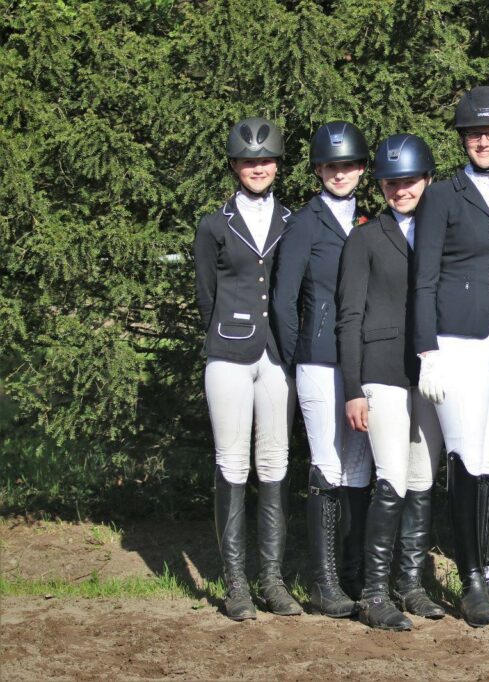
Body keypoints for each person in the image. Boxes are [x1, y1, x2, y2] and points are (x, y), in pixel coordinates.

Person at [413, 86, 489, 627]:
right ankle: (468, 581)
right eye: (474, 134)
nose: (483, 141)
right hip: (457, 342)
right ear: (463, 139)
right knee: (465, 457)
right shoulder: (442, 196)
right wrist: (427, 350)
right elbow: (424, 279)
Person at [337, 134, 446, 631]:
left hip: (432, 371)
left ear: (427, 180)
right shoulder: (364, 238)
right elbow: (349, 316)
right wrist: (352, 387)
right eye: (390, 183)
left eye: (410, 181)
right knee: (392, 478)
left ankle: (411, 583)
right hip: (381, 370)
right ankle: (374, 593)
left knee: (423, 479)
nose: (400, 191)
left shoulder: (442, 231)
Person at [194, 117, 301, 620]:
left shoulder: (293, 221)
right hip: (229, 354)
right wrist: (224, 333)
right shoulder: (214, 225)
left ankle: (272, 581)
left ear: (276, 164)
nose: (258, 168)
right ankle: (236, 583)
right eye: (248, 161)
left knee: (275, 463)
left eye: (265, 160)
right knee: (233, 463)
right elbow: (206, 295)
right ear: (235, 166)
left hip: (277, 355)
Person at [269, 121, 374, 617]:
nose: (340, 173)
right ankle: (324, 580)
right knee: (328, 464)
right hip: (318, 356)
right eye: (331, 166)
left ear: (361, 169)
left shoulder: (370, 221)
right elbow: (284, 301)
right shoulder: (304, 224)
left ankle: (355, 572)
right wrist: (298, 358)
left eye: (348, 165)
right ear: (318, 170)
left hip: (362, 360)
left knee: (359, 465)